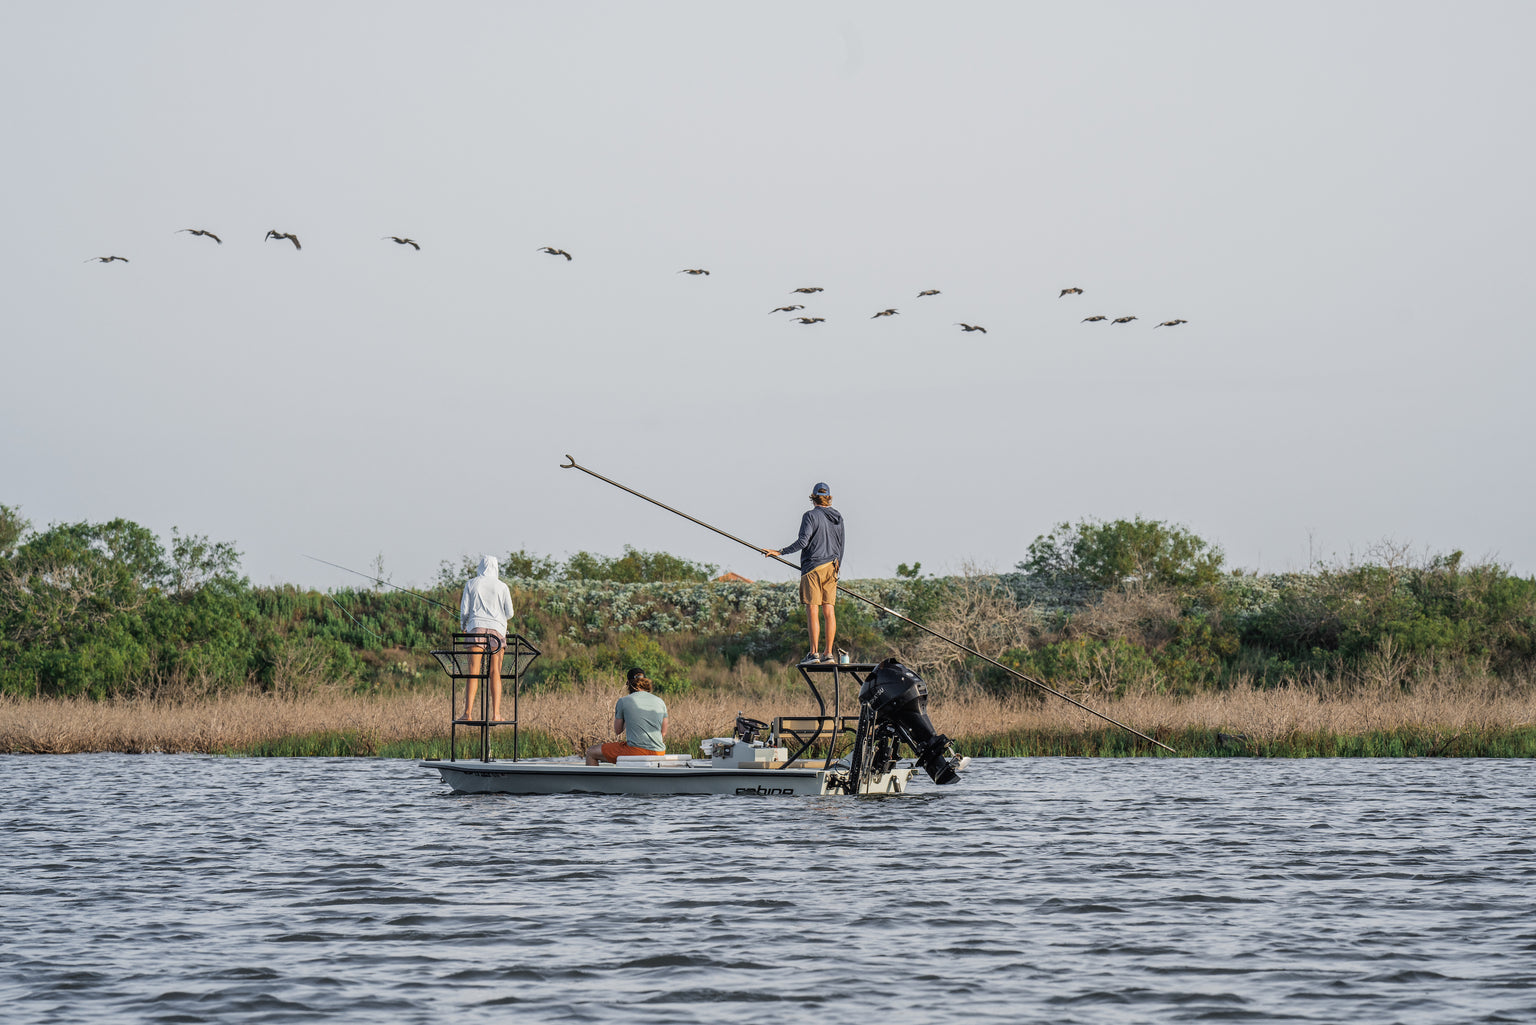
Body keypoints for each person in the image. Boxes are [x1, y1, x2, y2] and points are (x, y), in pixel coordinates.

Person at [765, 481, 844, 664]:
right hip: (833, 567)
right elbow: (841, 545)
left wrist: (780, 552)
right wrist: (837, 566)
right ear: (828, 498)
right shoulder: (838, 517)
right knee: (829, 610)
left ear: (813, 497)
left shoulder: (810, 516)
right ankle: (828, 654)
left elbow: (803, 542)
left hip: (813, 567)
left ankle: (814, 654)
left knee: (812, 610)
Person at [459, 555, 515, 722]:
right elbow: (510, 613)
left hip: (476, 629)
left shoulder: (471, 583)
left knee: (473, 672)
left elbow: (464, 611)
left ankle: (468, 713)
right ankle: (496, 714)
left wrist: (464, 626)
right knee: (495, 672)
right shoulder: (502, 586)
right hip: (497, 632)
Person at [585, 668, 669, 765]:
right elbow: (663, 732)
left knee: (591, 752)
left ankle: (595, 781)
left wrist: (629, 718)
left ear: (628, 683)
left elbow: (618, 730)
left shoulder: (623, 701)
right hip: (659, 752)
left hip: (635, 751)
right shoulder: (660, 701)